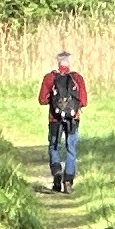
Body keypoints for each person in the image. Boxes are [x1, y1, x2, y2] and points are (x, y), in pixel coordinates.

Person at [38, 49, 88, 194]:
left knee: (54, 146)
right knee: (71, 148)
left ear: (58, 62)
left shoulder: (49, 78)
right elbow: (84, 101)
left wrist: (54, 103)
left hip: (55, 118)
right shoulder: (77, 78)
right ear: (69, 62)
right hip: (73, 119)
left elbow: (42, 99)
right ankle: (68, 181)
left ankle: (57, 171)